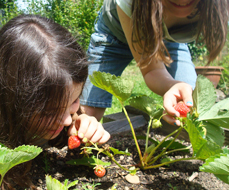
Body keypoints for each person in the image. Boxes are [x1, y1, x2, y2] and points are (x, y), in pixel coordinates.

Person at [0, 14, 110, 190]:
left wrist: (84, 123)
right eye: (50, 111)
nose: (67, 120)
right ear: (14, 102)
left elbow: (69, 117)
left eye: (74, 100)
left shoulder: (59, 115)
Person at [80, 0, 229, 126]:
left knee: (190, 103)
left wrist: (175, 86)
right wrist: (170, 84)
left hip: (166, 40)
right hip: (113, 37)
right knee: (85, 115)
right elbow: (152, 70)